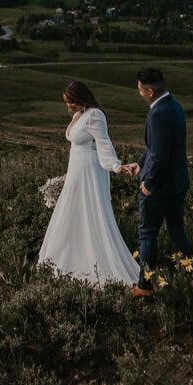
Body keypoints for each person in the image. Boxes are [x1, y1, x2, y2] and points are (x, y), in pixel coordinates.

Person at [38, 80, 138, 286]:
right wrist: (69, 172)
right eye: (67, 103)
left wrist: (116, 165)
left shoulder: (95, 115)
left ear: (81, 98)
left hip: (90, 172)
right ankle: (63, 260)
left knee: (90, 211)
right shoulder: (78, 115)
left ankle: (94, 263)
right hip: (76, 171)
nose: (69, 106)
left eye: (71, 102)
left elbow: (103, 144)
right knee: (71, 211)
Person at [123, 67, 191, 298]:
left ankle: (144, 286)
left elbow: (160, 154)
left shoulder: (158, 113)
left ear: (150, 91)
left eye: (141, 90)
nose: (139, 94)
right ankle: (190, 274)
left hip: (160, 186)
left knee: (147, 234)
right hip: (177, 182)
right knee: (177, 232)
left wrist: (148, 183)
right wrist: (141, 164)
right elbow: (157, 148)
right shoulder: (174, 106)